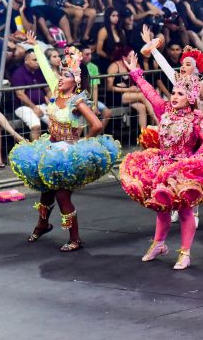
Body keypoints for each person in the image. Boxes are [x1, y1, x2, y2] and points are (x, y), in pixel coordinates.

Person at [119, 50, 203, 270]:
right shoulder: (164, 110)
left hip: (183, 169)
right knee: (161, 207)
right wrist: (135, 72)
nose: (173, 97)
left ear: (190, 98)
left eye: (180, 94)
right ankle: (159, 244)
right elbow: (149, 92)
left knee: (184, 211)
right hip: (162, 165)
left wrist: (193, 162)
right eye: (173, 92)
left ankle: (185, 253)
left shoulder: (196, 119)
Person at [9, 32, 120, 252]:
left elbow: (97, 125)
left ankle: (75, 238)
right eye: (61, 73)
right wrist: (36, 48)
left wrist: (80, 145)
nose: (60, 77)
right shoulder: (57, 90)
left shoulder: (77, 101)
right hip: (49, 148)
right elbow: (46, 69)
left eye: (66, 74)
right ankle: (43, 224)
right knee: (45, 191)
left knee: (61, 195)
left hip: (66, 154)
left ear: (76, 80)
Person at [11, 49, 50, 141]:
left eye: (38, 60)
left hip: (42, 104)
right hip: (23, 106)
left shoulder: (40, 71)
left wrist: (51, 103)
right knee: (36, 127)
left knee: (58, 123)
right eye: (34, 60)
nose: (37, 62)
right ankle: (34, 153)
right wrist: (34, 107)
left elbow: (48, 90)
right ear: (26, 61)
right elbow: (20, 94)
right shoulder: (18, 73)